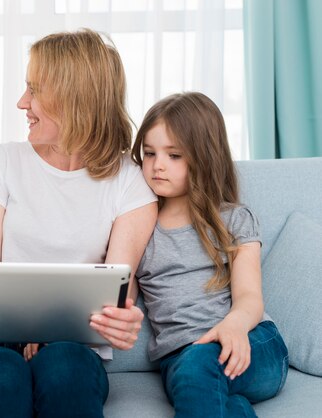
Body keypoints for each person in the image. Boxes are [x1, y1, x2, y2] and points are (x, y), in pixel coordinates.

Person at [0, 29, 158, 417]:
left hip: (68, 346)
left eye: (34, 90)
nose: (21, 103)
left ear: (74, 98)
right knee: (1, 373)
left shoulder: (130, 182)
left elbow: (117, 288)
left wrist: (121, 319)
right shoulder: (1, 161)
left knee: (68, 370)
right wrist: (29, 328)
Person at [131, 92, 289, 417]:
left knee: (199, 367)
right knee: (206, 380)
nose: (158, 165)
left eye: (174, 155)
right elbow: (118, 293)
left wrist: (233, 326)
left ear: (203, 156)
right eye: (149, 153)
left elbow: (249, 296)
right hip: (182, 358)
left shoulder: (233, 219)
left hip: (252, 342)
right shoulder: (137, 225)